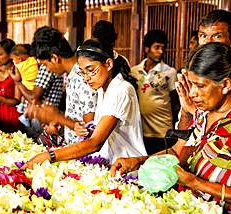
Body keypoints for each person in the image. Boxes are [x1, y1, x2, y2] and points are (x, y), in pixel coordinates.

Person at [111, 42, 231, 214]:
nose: (192, 93)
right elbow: (178, 151)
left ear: (226, 85)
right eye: (191, 84)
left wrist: (196, 183)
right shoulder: (205, 112)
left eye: (200, 86)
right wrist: (139, 161)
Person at [21, 38, 146, 169]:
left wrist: (50, 156)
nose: (86, 78)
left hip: (126, 165)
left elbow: (95, 143)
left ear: (108, 64)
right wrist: (84, 128)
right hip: (111, 163)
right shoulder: (102, 89)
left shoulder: (121, 90)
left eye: (91, 70)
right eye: (83, 72)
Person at [177, 9, 231, 130]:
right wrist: (187, 112)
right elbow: (182, 139)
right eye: (203, 36)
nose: (208, 43)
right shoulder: (191, 78)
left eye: (217, 36)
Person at [25, 27, 97, 146]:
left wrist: (56, 116)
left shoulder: (82, 77)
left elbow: (91, 127)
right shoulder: (73, 74)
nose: (47, 69)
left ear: (54, 58)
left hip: (84, 149)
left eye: (45, 65)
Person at [131, 30, 179, 154]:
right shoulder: (134, 72)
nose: (161, 52)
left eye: (163, 48)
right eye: (156, 47)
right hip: (141, 129)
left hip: (162, 130)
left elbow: (175, 103)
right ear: (147, 49)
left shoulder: (169, 72)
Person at [15, 27, 65, 139]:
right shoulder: (52, 64)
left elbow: (33, 97)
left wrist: (18, 82)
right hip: (49, 116)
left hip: (43, 118)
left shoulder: (47, 66)